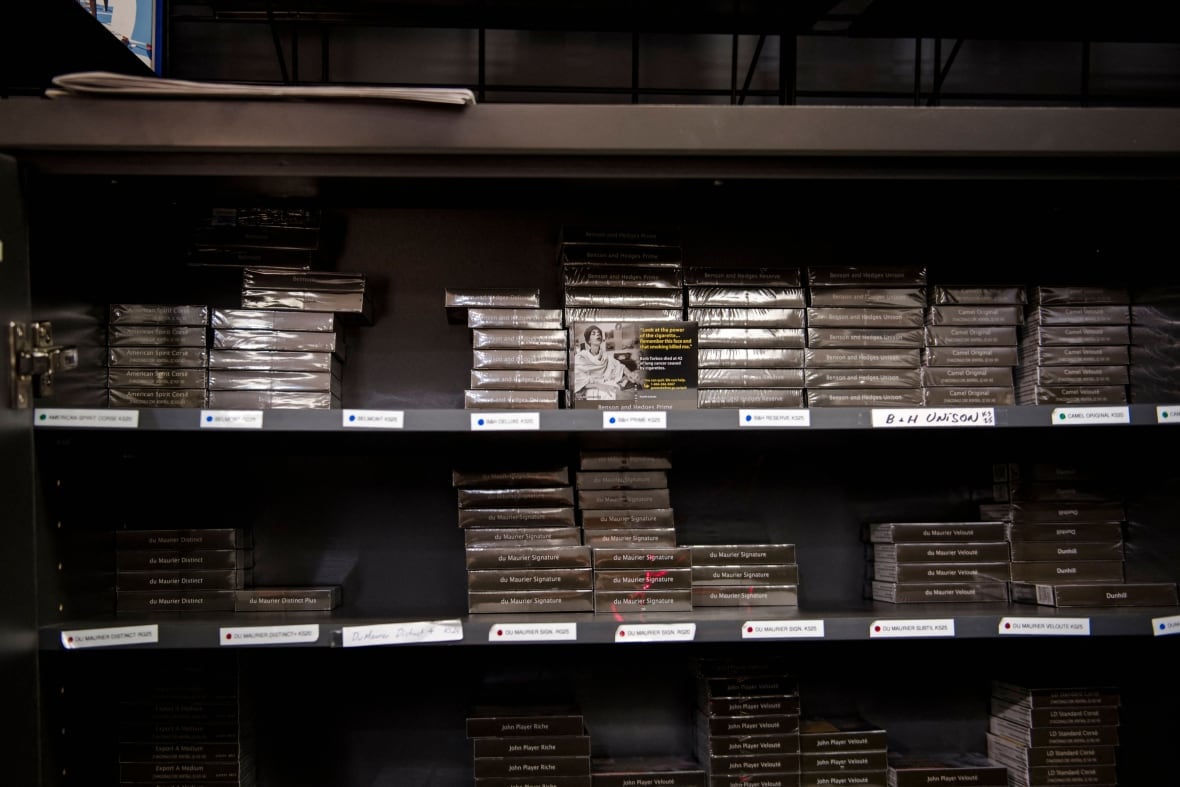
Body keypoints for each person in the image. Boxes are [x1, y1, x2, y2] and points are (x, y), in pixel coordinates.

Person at [572, 324, 638, 400]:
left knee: (633, 385)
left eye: (598, 333)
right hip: (592, 387)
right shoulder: (581, 357)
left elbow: (620, 366)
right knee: (617, 395)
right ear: (589, 340)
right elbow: (579, 381)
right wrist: (601, 386)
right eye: (593, 334)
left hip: (607, 383)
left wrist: (630, 374)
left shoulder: (605, 356)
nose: (597, 334)